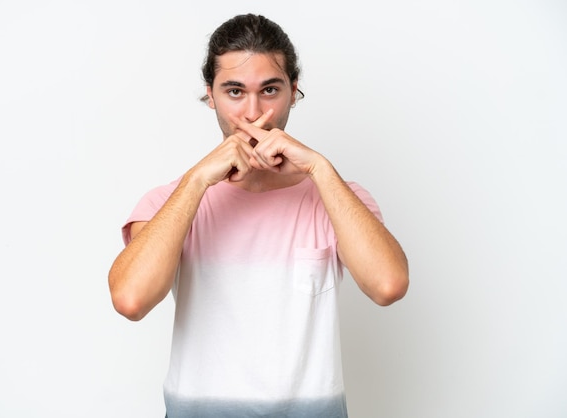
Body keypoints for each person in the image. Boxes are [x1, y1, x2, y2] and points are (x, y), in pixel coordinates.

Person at [108, 13, 409, 418]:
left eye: (270, 89)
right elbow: (130, 300)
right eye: (234, 91)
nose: (253, 112)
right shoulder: (170, 201)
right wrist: (197, 180)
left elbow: (388, 285)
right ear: (210, 95)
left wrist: (319, 168)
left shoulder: (339, 197)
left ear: (293, 91)